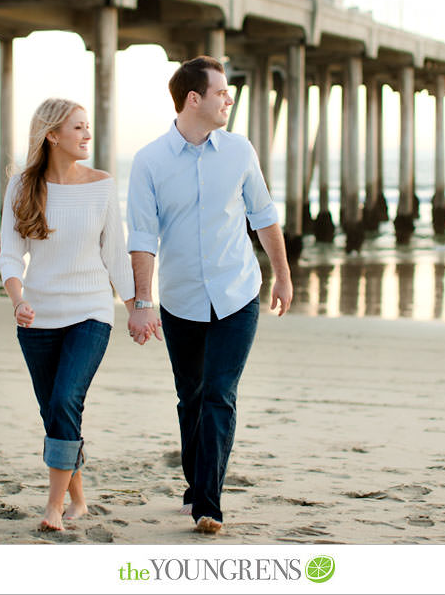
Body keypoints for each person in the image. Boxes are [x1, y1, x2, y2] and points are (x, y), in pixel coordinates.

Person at [126, 56, 293, 534]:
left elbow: (263, 215)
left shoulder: (240, 151)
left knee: (220, 394)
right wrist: (142, 302)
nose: (229, 99)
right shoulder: (150, 161)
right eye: (222, 92)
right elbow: (142, 237)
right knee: (191, 398)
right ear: (193, 99)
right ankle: (196, 485)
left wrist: (281, 275)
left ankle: (208, 504)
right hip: (181, 300)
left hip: (237, 292)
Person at [0, 97, 135, 532]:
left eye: (87, 126)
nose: (87, 135)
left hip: (91, 311)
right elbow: (8, 256)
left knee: (64, 401)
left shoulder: (102, 185)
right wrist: (18, 300)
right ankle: (78, 499)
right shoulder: (22, 187)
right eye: (77, 128)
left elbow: (115, 255)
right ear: (52, 135)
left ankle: (53, 507)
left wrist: (137, 308)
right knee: (55, 412)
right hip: (38, 315)